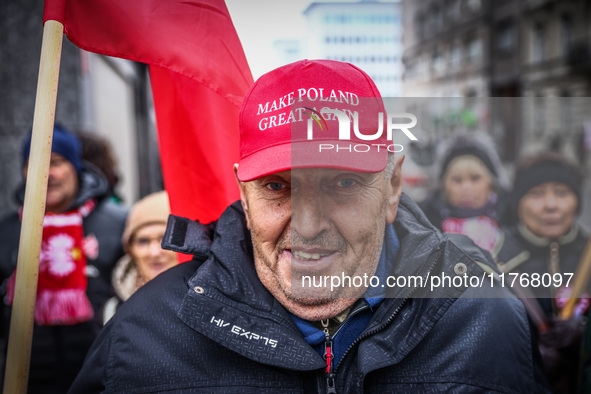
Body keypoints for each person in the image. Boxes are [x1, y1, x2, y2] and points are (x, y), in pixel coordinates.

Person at [70, 60, 548, 393]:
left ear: (393, 185)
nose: (309, 224)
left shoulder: (483, 319)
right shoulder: (147, 334)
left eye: (342, 182)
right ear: (243, 192)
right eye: (277, 187)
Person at [0, 125, 127, 393]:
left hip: (103, 381)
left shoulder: (119, 225)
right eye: (34, 163)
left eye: (56, 162)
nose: (46, 174)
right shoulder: (8, 232)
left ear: (76, 167)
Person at [494, 152, 589, 394]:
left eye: (562, 192)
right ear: (518, 203)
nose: (550, 205)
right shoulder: (495, 260)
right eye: (536, 194)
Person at [420, 134, 510, 254]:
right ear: (444, 186)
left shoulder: (512, 226)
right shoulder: (425, 231)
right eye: (457, 180)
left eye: (475, 178)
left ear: (491, 183)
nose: (466, 187)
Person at [102, 190, 178, 324]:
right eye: (143, 241)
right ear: (130, 249)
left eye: (165, 239)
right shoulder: (112, 311)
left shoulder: (210, 305)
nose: (154, 252)